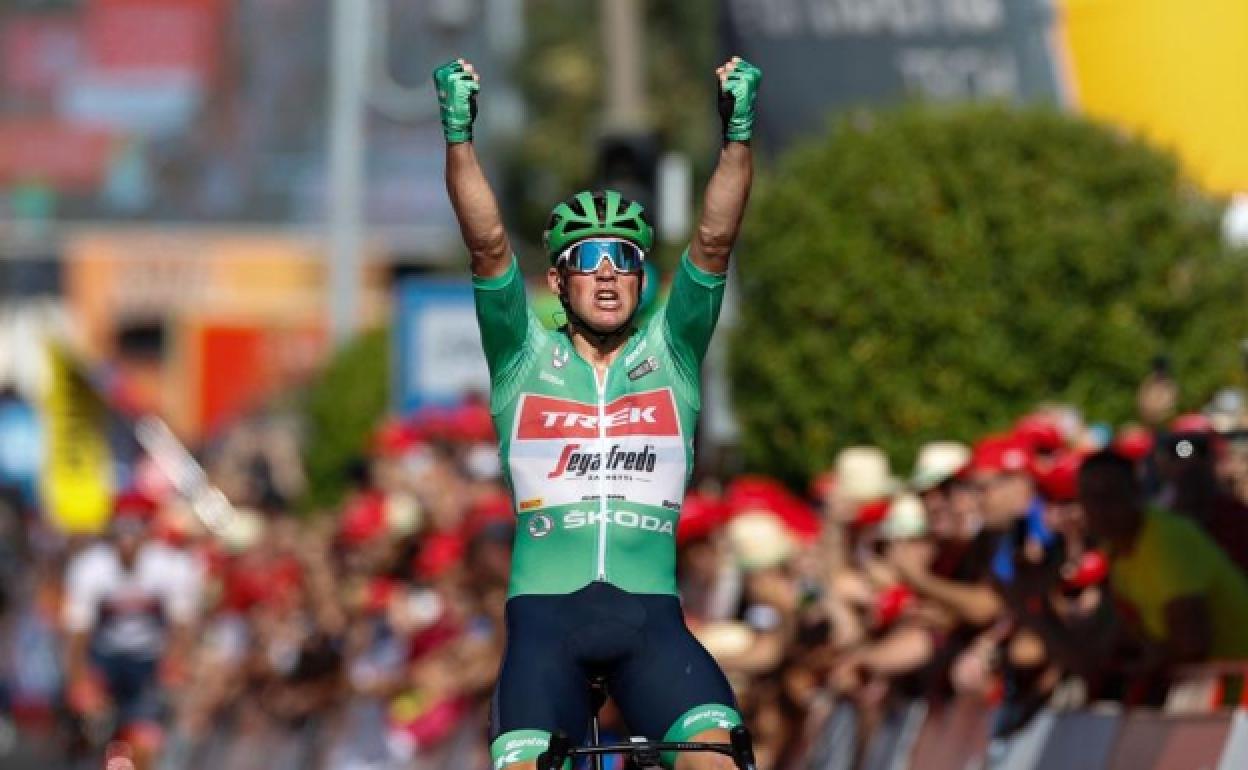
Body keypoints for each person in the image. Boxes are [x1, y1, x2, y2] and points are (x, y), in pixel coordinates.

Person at [434, 52, 761, 770]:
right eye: (589, 258)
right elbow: (487, 247)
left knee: (717, 761)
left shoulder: (672, 354)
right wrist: (458, 137)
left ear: (643, 278)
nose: (609, 268)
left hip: (654, 623)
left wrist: (738, 135)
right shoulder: (522, 358)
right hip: (545, 626)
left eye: (623, 255)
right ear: (558, 280)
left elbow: (713, 241)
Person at [1078, 449, 1248, 662]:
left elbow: (1191, 646)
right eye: (1089, 496)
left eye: (1111, 495)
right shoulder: (1114, 546)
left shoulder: (1168, 540)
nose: (1098, 507)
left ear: (1137, 492)